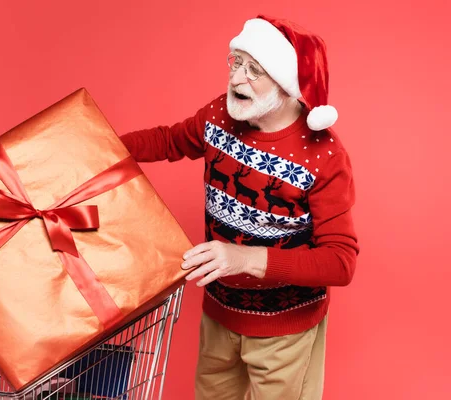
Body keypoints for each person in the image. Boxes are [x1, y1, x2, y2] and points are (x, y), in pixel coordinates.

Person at [119, 14, 359, 400]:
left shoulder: (324, 156)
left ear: (283, 83)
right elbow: (169, 141)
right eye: (235, 63)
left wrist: (245, 258)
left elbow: (340, 262)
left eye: (254, 70)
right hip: (219, 313)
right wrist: (99, 144)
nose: (235, 79)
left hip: (285, 329)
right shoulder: (220, 115)